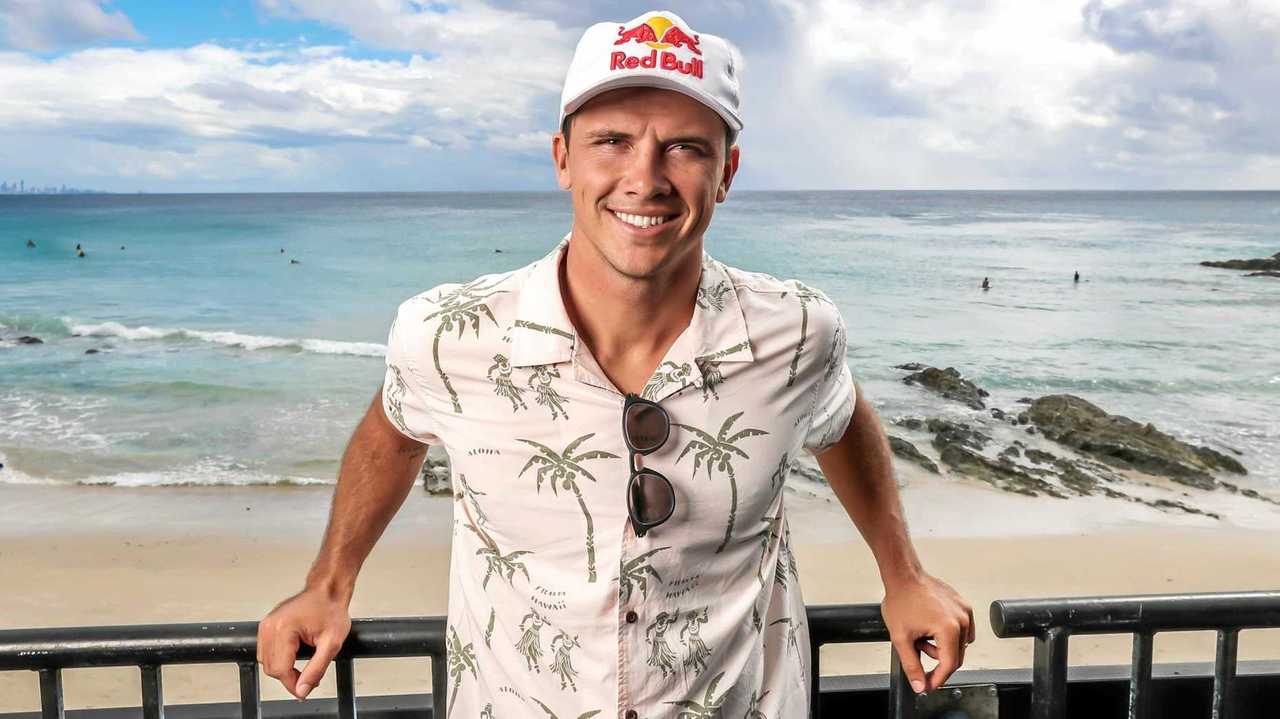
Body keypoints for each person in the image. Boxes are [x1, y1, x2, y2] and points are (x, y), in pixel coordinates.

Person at [257, 10, 973, 715]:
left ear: (727, 172)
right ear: (563, 158)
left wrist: (902, 572)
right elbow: (394, 427)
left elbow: (840, 416)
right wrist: (330, 582)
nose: (645, 177)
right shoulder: (446, 333)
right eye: (612, 141)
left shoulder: (798, 331)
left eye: (686, 148)